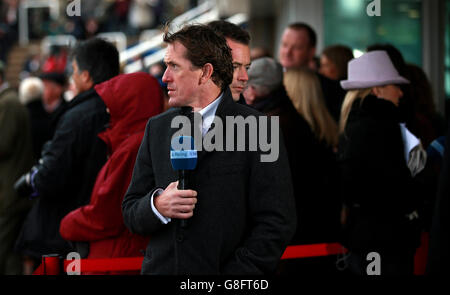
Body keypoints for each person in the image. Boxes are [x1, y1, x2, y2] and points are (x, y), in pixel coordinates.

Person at [122, 24, 296, 275]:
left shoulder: (260, 128)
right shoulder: (157, 128)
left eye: (174, 66)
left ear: (205, 73)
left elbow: (277, 221)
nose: (164, 77)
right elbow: (130, 210)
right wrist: (157, 206)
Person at [14, 38, 120, 270]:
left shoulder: (78, 116)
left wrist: (32, 180)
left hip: (64, 232)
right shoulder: (118, 110)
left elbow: (50, 174)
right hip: (96, 229)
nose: (71, 79)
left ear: (85, 76)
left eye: (73, 71)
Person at [60, 72, 163, 274]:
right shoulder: (138, 140)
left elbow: (108, 215)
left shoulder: (132, 147)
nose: (108, 109)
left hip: (119, 257)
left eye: (115, 102)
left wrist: (69, 223)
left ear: (131, 103)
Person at [338, 51, 422, 275]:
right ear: (377, 90)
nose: (400, 92)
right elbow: (393, 187)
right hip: (384, 240)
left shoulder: (354, 125)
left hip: (366, 237)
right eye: (394, 85)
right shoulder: (382, 127)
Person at [0, 61, 34, 274]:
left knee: (3, 248)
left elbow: (3, 144)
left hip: (9, 192)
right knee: (11, 252)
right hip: (12, 188)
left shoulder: (8, 103)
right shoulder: (9, 101)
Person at [278, 22, 345, 122]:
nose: (287, 52)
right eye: (284, 45)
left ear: (311, 52)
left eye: (297, 47)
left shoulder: (330, 89)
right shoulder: (268, 82)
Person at [19, 73, 68, 160]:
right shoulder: (37, 110)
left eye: (45, 86)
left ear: (58, 89)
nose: (41, 91)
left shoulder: (66, 111)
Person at [208, 20, 251, 103]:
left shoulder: (254, 115)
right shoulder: (177, 113)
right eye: (234, 67)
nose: (244, 77)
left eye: (247, 68)